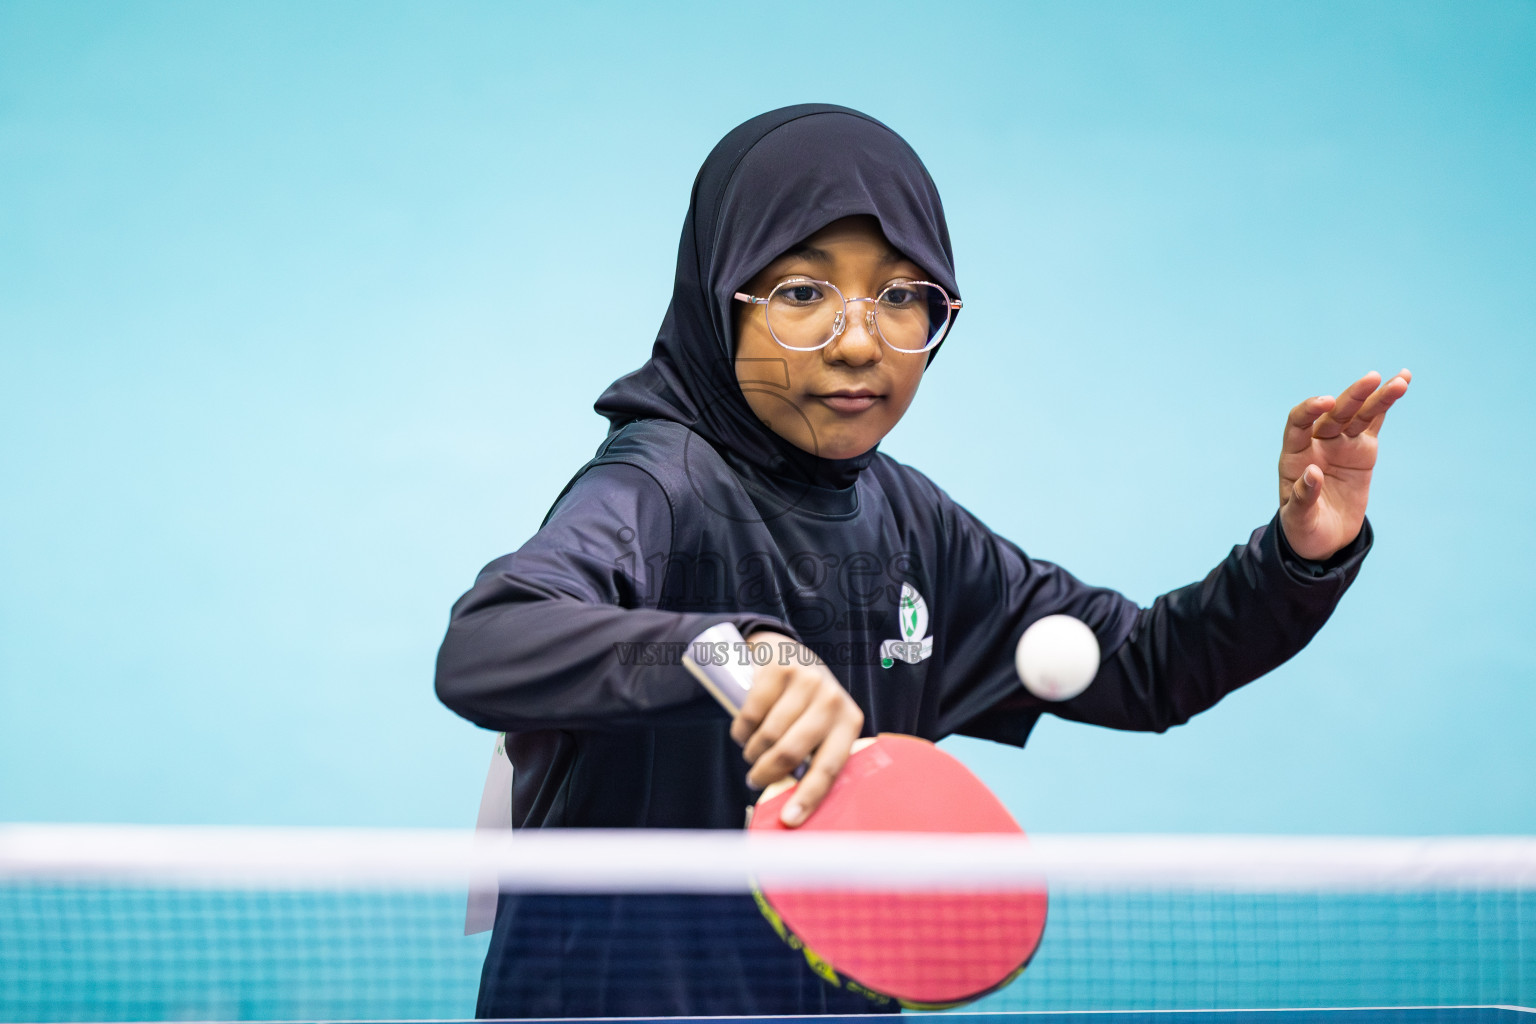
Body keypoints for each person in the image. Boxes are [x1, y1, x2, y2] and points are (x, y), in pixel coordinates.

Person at [434, 103, 1410, 1018]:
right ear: (718, 297)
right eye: (804, 292)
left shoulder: (909, 524)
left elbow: (1148, 667)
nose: (861, 341)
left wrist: (1299, 556)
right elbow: (487, 642)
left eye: (903, 297)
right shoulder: (659, 485)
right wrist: (729, 651)